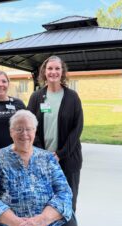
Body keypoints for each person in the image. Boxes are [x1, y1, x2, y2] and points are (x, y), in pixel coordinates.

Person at [0, 110, 85, 226]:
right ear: (11, 132)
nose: (24, 134)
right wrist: (17, 224)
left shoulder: (47, 158)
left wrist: (41, 220)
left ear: (35, 131)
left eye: (29, 129)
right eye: (19, 129)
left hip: (52, 221)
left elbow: (64, 192)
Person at [27, 56, 84, 211]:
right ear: (44, 72)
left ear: (62, 72)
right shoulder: (36, 97)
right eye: (50, 68)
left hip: (68, 159)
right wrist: (44, 154)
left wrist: (61, 154)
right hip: (42, 160)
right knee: (44, 201)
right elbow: (29, 126)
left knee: (68, 201)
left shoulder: (72, 97)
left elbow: (77, 128)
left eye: (57, 68)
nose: (53, 72)